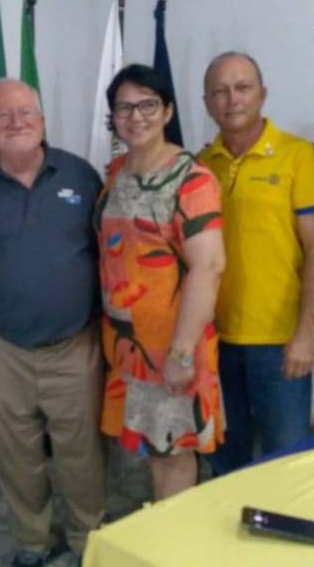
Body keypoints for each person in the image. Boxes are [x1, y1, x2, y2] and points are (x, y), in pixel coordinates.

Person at [0, 78, 104, 567]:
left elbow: (111, 258)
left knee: (84, 453)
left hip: (76, 345)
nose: (16, 123)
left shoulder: (81, 175)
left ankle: (87, 538)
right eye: (2, 115)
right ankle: (32, 541)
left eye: (25, 112)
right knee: (14, 455)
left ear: (42, 119)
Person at [97, 64, 226, 499]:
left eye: (148, 104)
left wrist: (182, 353)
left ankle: (175, 538)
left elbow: (208, 267)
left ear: (168, 111)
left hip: (173, 343)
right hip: (127, 344)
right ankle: (163, 530)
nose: (136, 116)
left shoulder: (192, 179)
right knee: (155, 448)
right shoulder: (116, 172)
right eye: (124, 107)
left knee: (175, 451)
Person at [198, 52, 314, 476]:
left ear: (262, 94)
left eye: (242, 87)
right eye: (220, 91)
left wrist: (306, 331)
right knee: (224, 460)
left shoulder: (298, 156)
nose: (232, 99)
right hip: (215, 341)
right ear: (206, 102)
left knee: (285, 464)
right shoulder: (200, 166)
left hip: (280, 342)